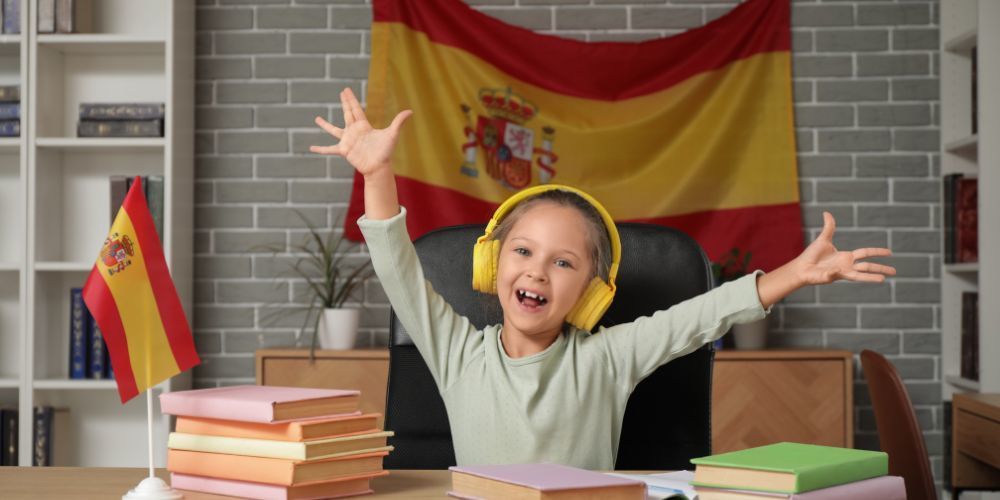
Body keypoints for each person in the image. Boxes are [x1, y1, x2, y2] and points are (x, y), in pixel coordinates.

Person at [310, 88, 896, 469]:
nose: (537, 270)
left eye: (563, 262)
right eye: (523, 251)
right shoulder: (456, 352)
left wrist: (794, 273)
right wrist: (378, 173)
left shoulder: (608, 358)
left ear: (591, 294)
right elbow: (397, 268)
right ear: (493, 265)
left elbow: (701, 317)